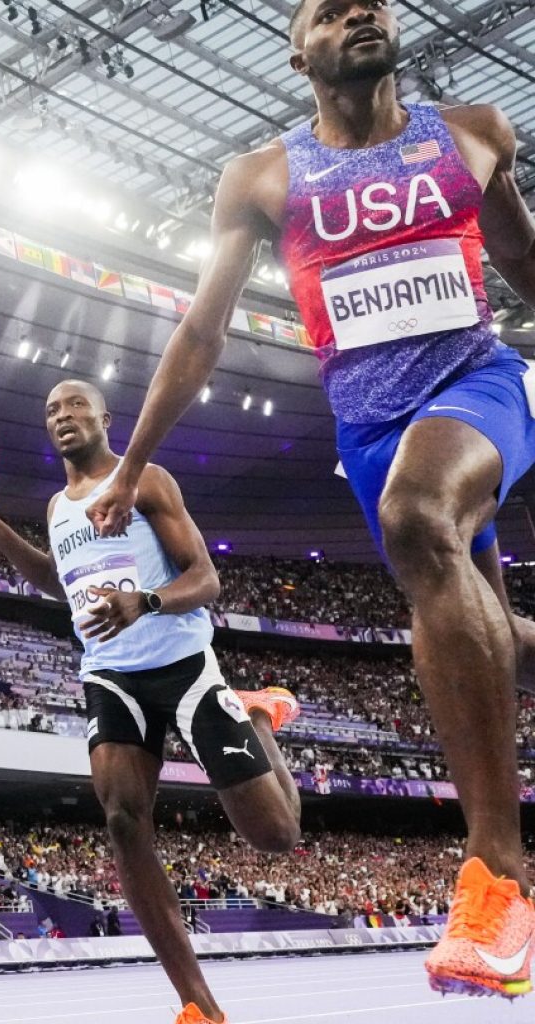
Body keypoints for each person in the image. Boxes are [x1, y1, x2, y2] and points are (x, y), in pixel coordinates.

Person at [87, 0, 535, 1004]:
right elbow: (200, 336)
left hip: (478, 387)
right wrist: (127, 469)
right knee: (485, 625)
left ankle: (499, 879)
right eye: (330, 11)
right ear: (298, 53)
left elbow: (524, 264)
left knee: (419, 521)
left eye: (370, 1)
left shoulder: (470, 135)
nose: (359, 13)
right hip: (370, 432)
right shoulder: (262, 178)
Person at [0, 379, 302, 1024]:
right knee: (121, 818)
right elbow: (60, 585)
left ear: (105, 418)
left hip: (182, 663)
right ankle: (198, 1006)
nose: (62, 415)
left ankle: (259, 717)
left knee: (276, 836)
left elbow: (206, 580)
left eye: (75, 405)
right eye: (52, 408)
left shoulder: (147, 481)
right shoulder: (59, 507)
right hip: (110, 672)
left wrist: (143, 601)